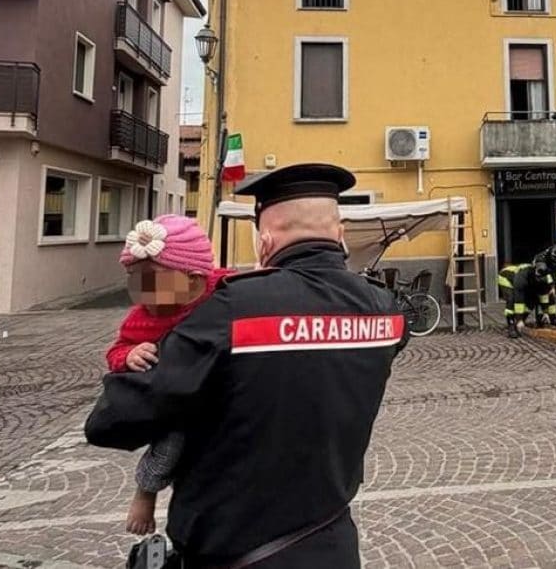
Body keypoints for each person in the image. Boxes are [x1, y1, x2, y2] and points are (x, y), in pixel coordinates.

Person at [85, 163, 408, 568]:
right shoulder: (387, 312)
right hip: (333, 545)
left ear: (264, 242)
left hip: (234, 551)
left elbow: (111, 421)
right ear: (340, 235)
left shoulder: (231, 311)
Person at [104, 215, 233, 535]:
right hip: (180, 397)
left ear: (193, 278)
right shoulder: (141, 318)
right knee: (172, 437)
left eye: (151, 279)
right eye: (133, 277)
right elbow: (117, 350)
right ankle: (145, 492)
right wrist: (128, 355)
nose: (140, 289)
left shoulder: (225, 289)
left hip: (224, 387)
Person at [498, 261, 550, 338]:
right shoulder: (522, 277)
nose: (538, 279)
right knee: (511, 299)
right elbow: (519, 299)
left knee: (531, 301)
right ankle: (511, 325)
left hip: (524, 282)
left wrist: (546, 312)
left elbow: (544, 296)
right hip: (506, 278)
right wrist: (519, 320)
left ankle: (521, 322)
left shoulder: (545, 279)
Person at [531, 243, 556, 327]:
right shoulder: (541, 259)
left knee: (551, 299)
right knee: (541, 299)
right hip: (539, 279)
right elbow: (543, 274)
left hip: (548, 277)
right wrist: (551, 286)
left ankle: (553, 318)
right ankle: (540, 319)